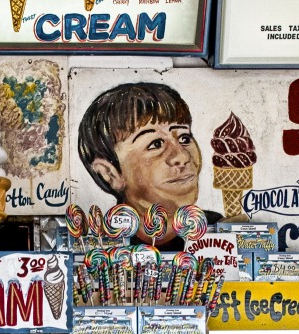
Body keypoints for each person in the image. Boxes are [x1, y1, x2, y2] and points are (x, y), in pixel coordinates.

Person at [77, 81, 222, 249]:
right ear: (110, 174)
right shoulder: (99, 245)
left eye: (184, 138)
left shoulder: (217, 230)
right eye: (156, 144)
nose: (182, 156)